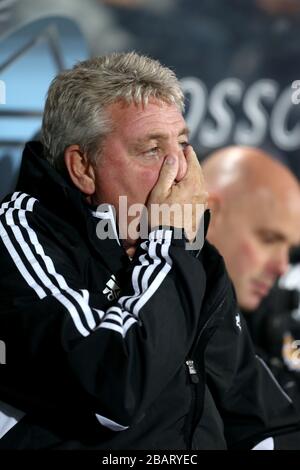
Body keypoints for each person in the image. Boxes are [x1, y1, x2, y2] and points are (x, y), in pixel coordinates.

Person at [0, 52, 299, 450]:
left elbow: (261, 419)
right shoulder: (20, 234)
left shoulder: (189, 253)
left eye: (183, 145)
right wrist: (169, 240)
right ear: (83, 168)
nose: (178, 172)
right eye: (152, 150)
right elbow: (114, 390)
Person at [202, 146, 300, 406]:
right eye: (268, 239)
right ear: (208, 215)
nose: (282, 267)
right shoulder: (150, 318)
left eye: (289, 249)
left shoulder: (271, 334)